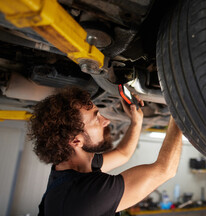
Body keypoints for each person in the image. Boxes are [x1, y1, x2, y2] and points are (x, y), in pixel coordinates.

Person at [28, 87, 183, 215]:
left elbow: (123, 154)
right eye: (97, 119)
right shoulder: (88, 194)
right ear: (76, 141)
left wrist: (136, 122)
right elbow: (165, 170)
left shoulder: (71, 167)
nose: (106, 121)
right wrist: (181, 107)